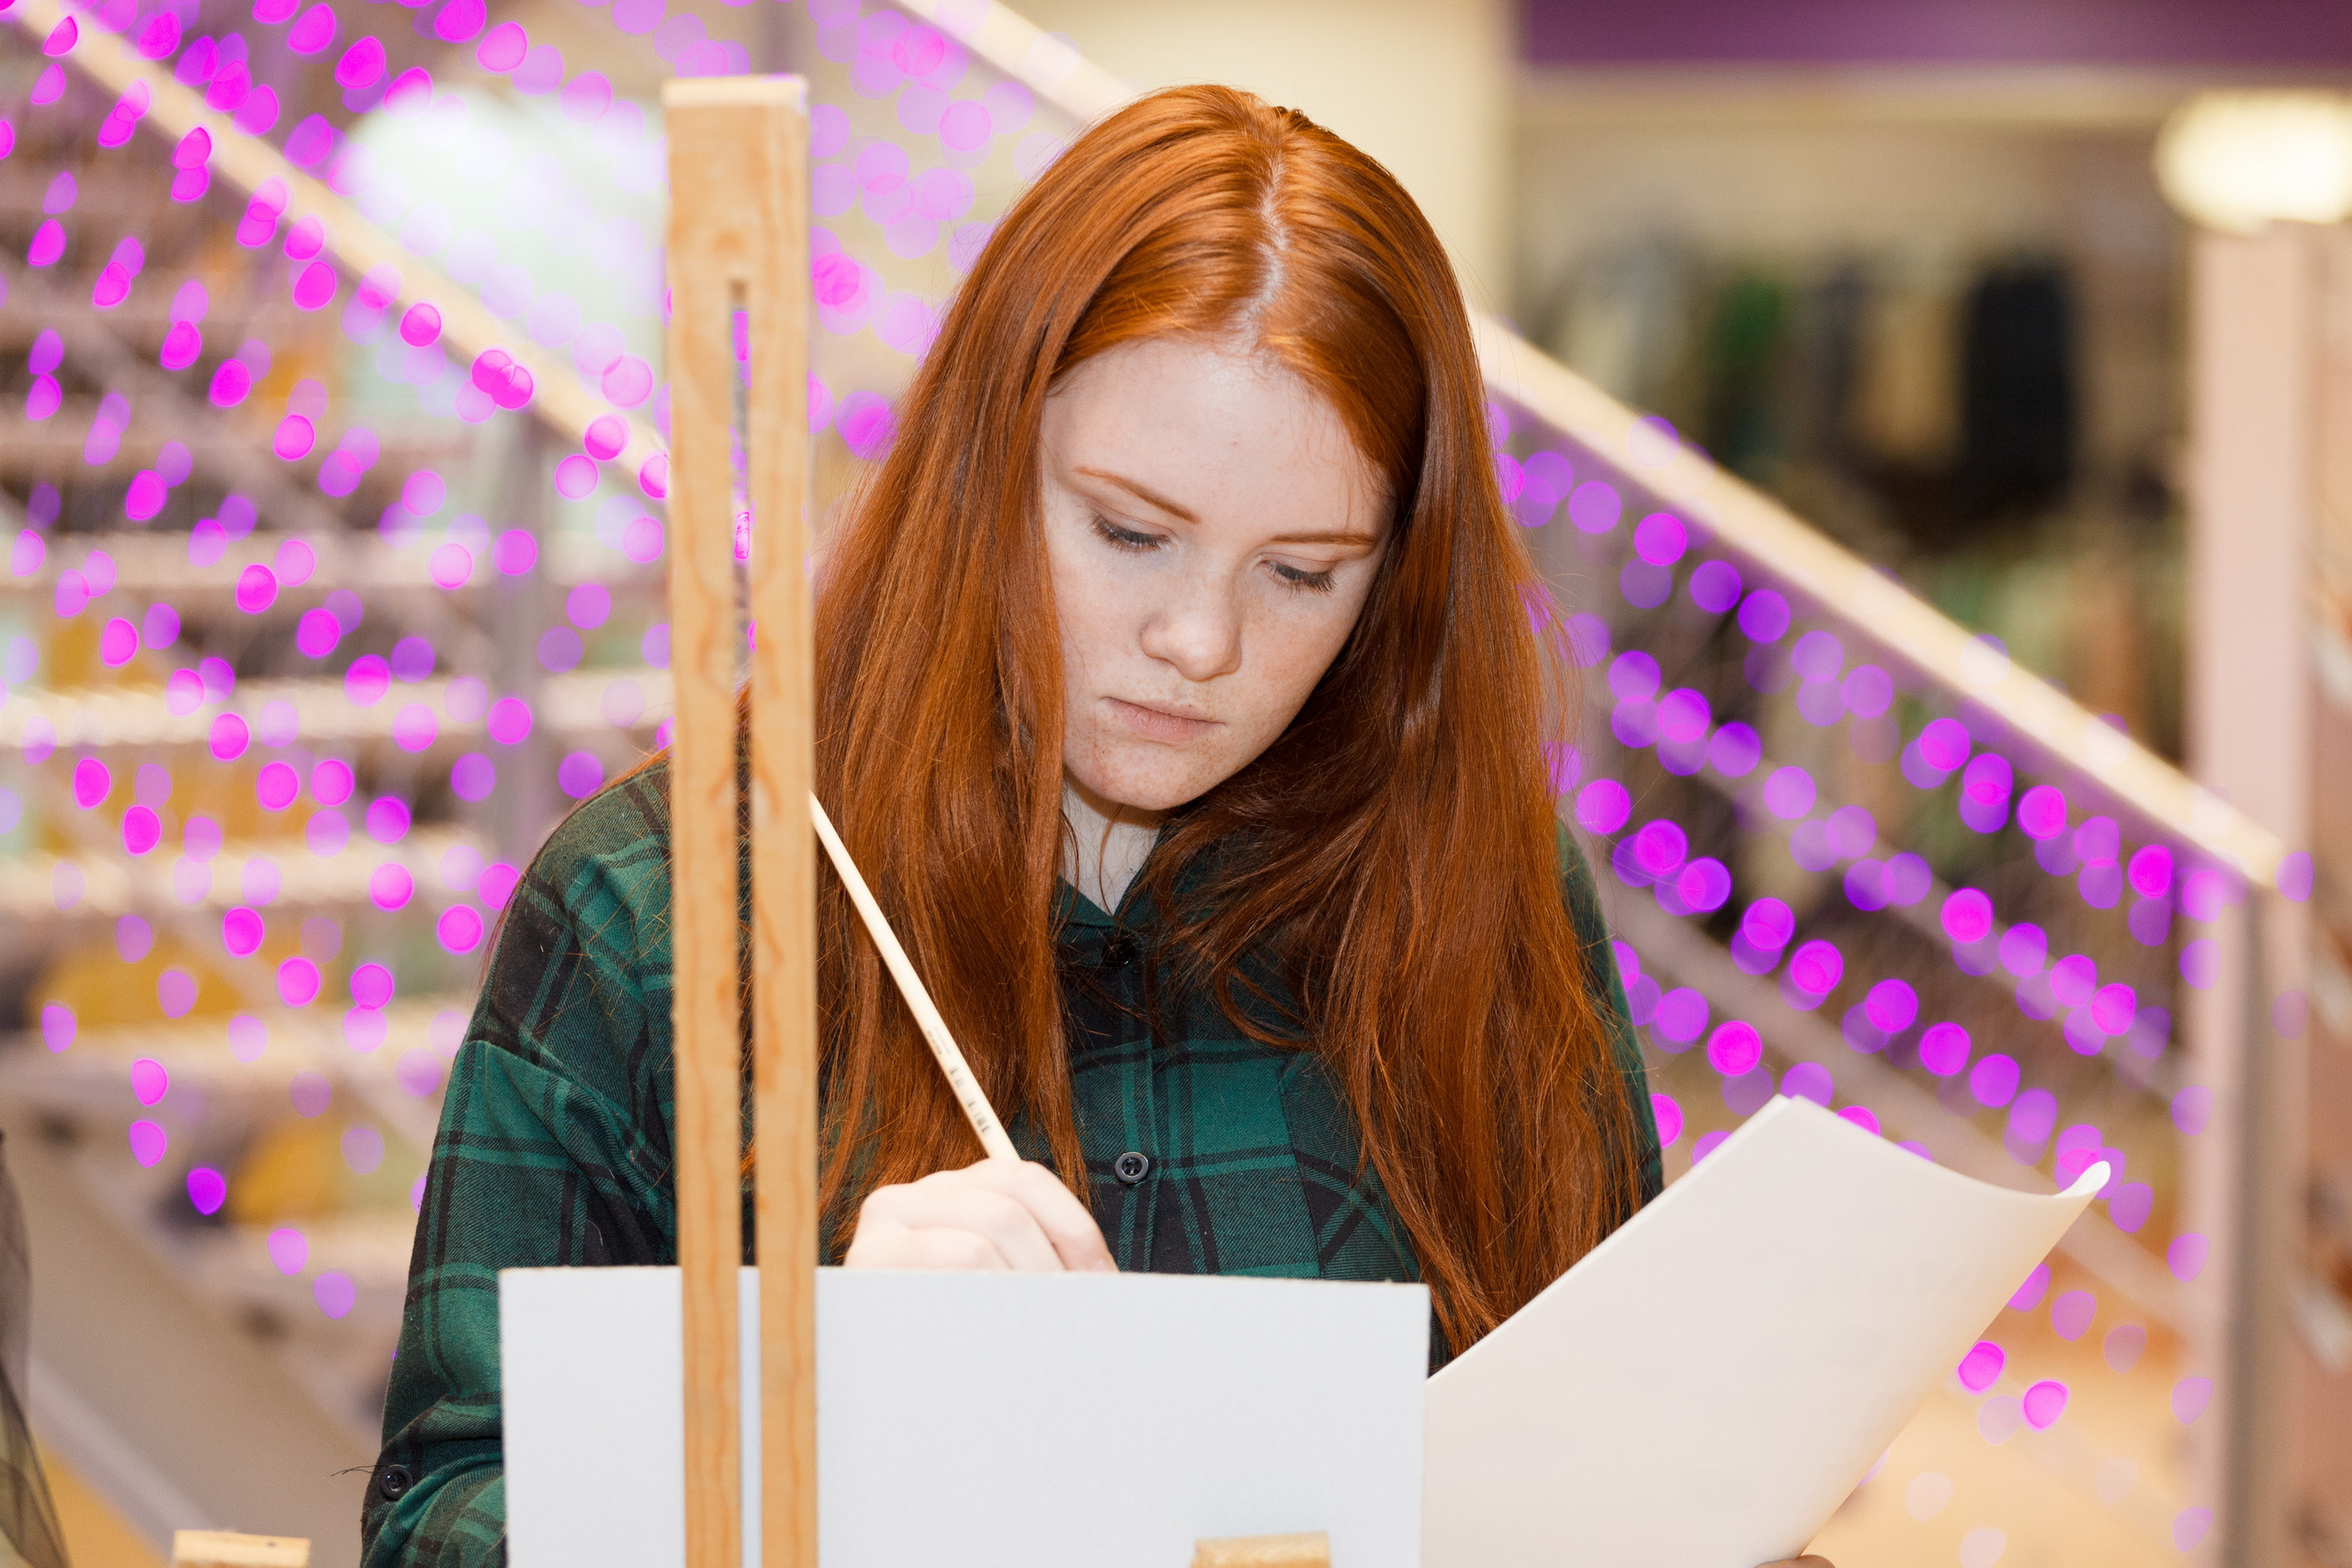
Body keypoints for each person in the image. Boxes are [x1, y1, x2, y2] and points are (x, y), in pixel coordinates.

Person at [363, 85, 1826, 1568]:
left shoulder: (1476, 886)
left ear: (1396, 574)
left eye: (1302, 573)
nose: (1198, 641)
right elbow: (438, 1526)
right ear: (984, 465)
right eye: (1129, 532)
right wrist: (827, 1422)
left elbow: (1620, 1459)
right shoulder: (660, 909)